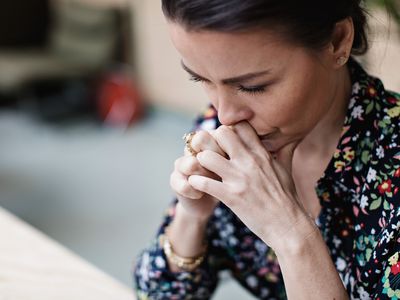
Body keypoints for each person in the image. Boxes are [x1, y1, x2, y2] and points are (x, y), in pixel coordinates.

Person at [134, 1, 400, 299]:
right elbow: (157, 293)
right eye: (201, 79)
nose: (226, 114)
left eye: (253, 86)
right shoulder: (220, 129)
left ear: (337, 41)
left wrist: (291, 234)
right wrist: (191, 216)